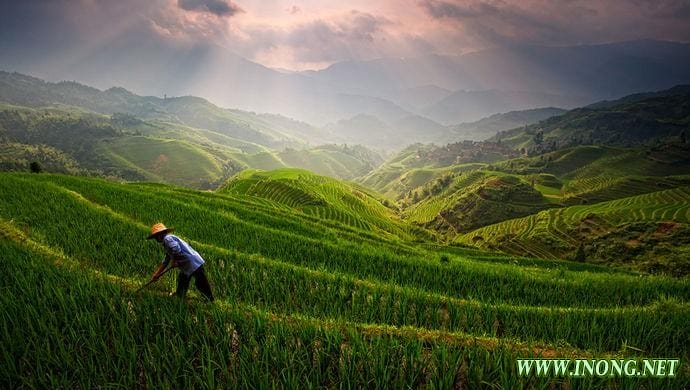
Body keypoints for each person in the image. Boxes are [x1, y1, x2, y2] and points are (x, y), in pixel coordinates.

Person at [147, 223, 214, 302]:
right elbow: (166, 259)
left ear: (159, 235)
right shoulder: (167, 241)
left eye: (155, 237)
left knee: (201, 282)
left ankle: (210, 300)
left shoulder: (167, 239)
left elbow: (176, 249)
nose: (156, 239)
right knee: (183, 279)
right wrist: (157, 274)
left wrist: (174, 261)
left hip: (193, 262)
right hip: (189, 263)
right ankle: (180, 297)